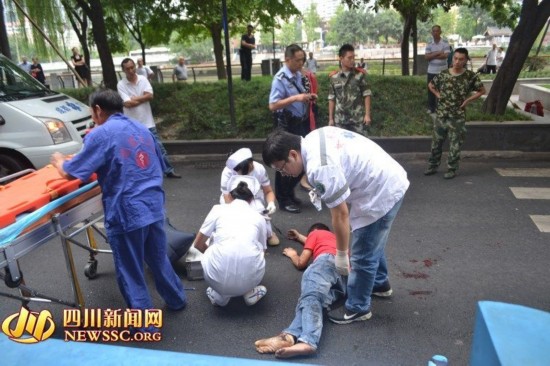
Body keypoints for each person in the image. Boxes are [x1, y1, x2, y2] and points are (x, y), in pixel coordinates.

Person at [50, 89, 187, 319]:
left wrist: (58, 161)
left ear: (97, 110)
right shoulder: (142, 130)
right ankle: (176, 299)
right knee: (157, 258)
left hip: (126, 211)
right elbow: (155, 163)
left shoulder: (100, 134)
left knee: (130, 270)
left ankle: (144, 324)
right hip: (153, 205)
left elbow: (72, 173)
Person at [262, 126, 409, 324]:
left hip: (380, 190)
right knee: (372, 239)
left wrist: (341, 254)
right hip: (384, 176)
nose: (284, 174)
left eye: (282, 168)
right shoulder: (311, 138)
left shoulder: (320, 168)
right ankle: (379, 284)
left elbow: (340, 215)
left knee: (363, 252)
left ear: (293, 154)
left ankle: (358, 308)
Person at [255, 223, 345, 359]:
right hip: (345, 277)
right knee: (312, 303)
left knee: (310, 297)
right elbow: (310, 241)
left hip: (325, 262)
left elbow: (301, 262)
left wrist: (293, 255)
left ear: (313, 233)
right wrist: (299, 237)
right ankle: (289, 337)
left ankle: (308, 341)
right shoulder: (337, 239)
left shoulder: (315, 234)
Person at [193, 180, 268, 307]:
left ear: (229, 196)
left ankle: (220, 295)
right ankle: (249, 292)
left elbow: (198, 244)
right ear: (251, 200)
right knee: (256, 247)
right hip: (249, 281)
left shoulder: (217, 209)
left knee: (214, 238)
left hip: (216, 280)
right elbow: (262, 251)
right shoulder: (259, 217)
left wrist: (215, 259)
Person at [269, 44, 316, 214]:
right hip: (286, 124)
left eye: (302, 60)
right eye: (297, 60)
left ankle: (290, 193)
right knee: (285, 161)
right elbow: (273, 105)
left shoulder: (297, 75)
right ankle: (283, 199)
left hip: (299, 122)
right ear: (287, 59)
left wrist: (307, 97)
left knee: (299, 160)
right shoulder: (280, 79)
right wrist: (296, 97)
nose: (301, 63)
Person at [425, 47, 486, 180]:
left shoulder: (470, 76)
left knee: (455, 144)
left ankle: (452, 169)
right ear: (452, 58)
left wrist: (468, 100)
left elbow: (482, 91)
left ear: (465, 60)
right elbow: (431, 85)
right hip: (441, 115)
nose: (457, 62)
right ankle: (432, 166)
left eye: (461, 59)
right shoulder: (444, 74)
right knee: (436, 143)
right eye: (455, 58)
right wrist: (438, 94)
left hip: (457, 117)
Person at [117, 58, 181, 179]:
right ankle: (139, 173)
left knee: (158, 148)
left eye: (132, 67)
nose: (131, 70)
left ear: (135, 66)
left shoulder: (143, 79)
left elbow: (150, 96)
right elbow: (127, 103)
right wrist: (142, 97)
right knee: (134, 149)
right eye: (127, 69)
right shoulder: (121, 84)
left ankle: (168, 170)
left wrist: (134, 99)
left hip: (147, 122)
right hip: (131, 124)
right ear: (123, 70)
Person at [220, 148, 279, 246]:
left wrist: (271, 203)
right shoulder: (227, 172)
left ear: (252, 162)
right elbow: (227, 198)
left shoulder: (259, 168)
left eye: (249, 169)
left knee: (260, 213)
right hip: (233, 200)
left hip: (254, 197)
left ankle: (269, 233)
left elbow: (268, 191)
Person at [328, 44, 372, 135]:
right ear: (341, 58)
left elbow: (367, 94)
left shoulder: (360, 75)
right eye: (349, 58)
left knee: (359, 146)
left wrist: (367, 115)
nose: (352, 60)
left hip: (357, 120)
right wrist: (331, 119)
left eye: (353, 57)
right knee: (341, 147)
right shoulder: (334, 77)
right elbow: (331, 99)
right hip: (340, 121)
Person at [425, 25, 451, 114]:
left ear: (440, 32)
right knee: (431, 89)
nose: (435, 33)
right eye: (434, 31)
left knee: (443, 90)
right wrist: (439, 52)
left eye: (437, 31)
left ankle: (442, 108)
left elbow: (446, 55)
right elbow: (427, 57)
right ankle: (431, 108)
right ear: (432, 33)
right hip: (431, 70)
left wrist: (432, 54)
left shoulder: (445, 42)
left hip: (443, 70)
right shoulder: (429, 43)